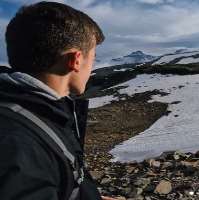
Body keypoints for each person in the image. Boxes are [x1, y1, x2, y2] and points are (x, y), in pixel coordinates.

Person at [0, 1, 116, 200]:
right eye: (94, 58)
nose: (92, 67)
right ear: (76, 60)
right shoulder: (17, 141)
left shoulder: (39, 109)